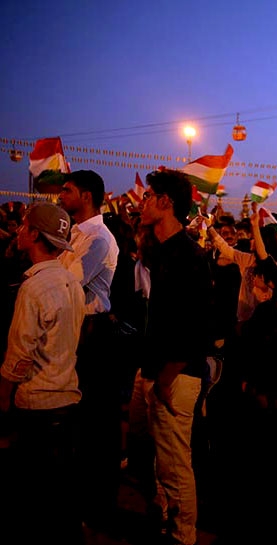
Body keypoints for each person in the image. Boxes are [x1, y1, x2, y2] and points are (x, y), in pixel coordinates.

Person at [127, 169, 214, 545]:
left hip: (176, 376)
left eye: (148, 197)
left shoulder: (190, 257)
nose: (142, 203)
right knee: (148, 454)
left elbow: (197, 326)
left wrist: (165, 377)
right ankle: (160, 514)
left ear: (166, 203)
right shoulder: (160, 251)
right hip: (152, 370)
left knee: (176, 466)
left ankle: (184, 536)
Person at [0, 202, 86, 544]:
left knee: (34, 502)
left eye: (24, 226)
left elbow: (19, 356)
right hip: (67, 399)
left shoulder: (33, 288)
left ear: (35, 235)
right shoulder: (71, 283)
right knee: (61, 498)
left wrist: (3, 398)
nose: (19, 231)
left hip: (36, 406)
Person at [57, 169, 121, 531]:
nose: (60, 196)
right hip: (77, 332)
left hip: (92, 336)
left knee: (95, 424)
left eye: (66, 191)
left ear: (85, 196)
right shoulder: (77, 235)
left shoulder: (97, 237)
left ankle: (97, 506)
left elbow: (67, 283)